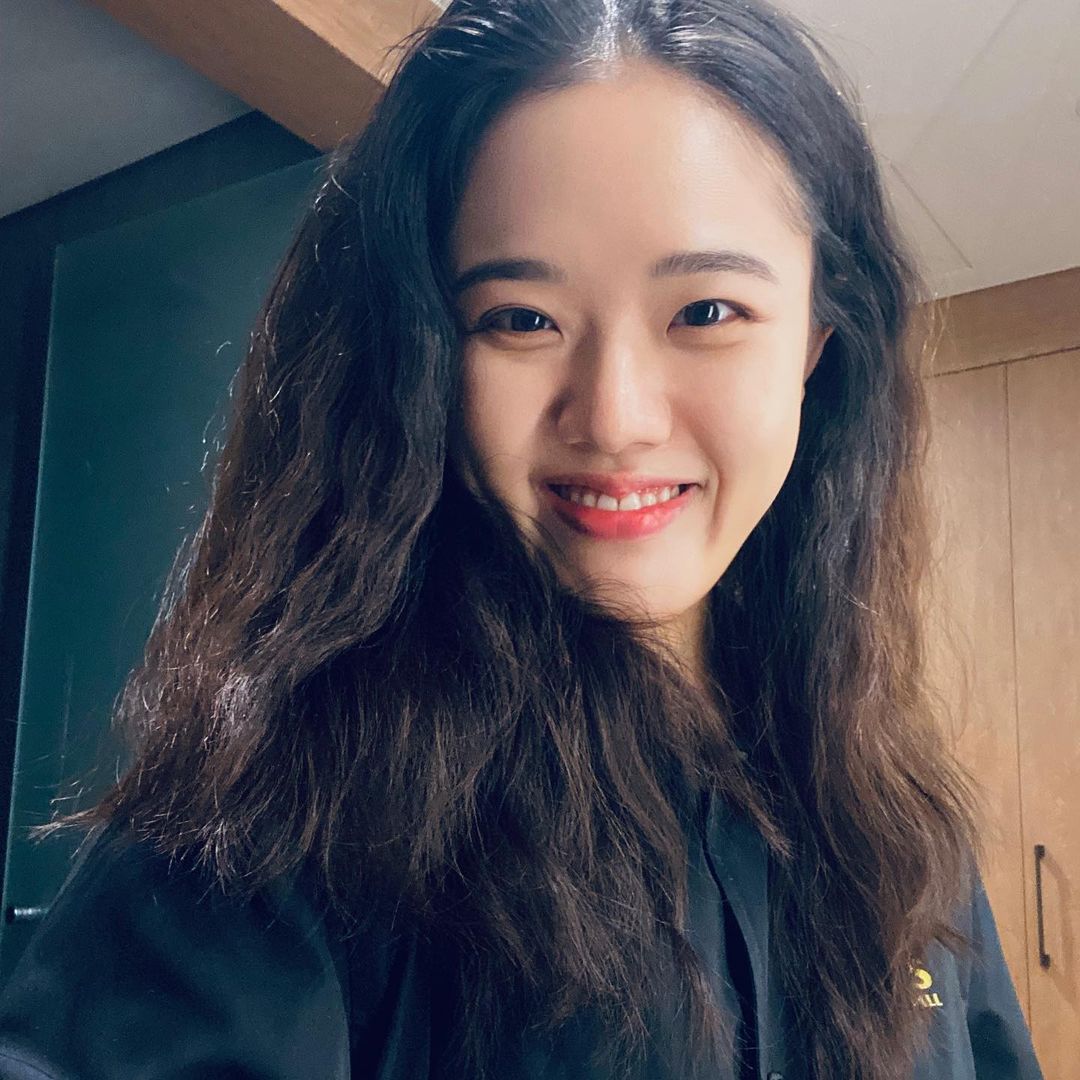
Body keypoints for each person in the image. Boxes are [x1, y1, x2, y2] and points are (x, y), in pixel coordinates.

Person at [0, 1, 1044, 1078]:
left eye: (707, 312)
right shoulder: (289, 818)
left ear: (816, 345)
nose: (615, 417)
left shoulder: (900, 833)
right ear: (421, 354)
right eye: (520, 319)